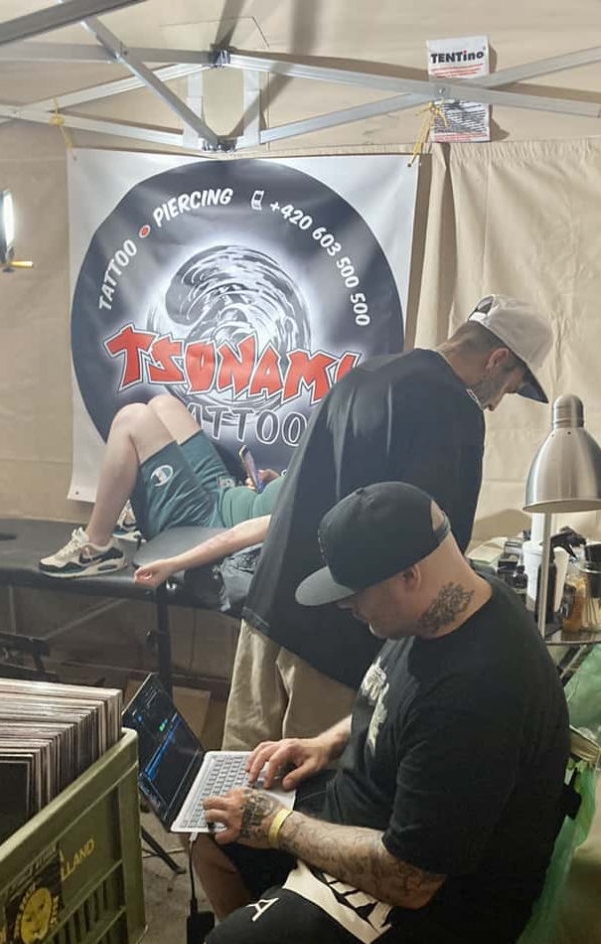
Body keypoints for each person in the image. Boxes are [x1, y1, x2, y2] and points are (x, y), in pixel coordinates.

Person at [191, 482, 570, 944]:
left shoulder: (481, 690)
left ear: (410, 574)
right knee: (211, 840)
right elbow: (390, 701)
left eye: (355, 594)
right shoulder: (449, 602)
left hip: (443, 900)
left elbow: (410, 878)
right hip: (375, 822)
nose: (347, 609)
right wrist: (325, 743)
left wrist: (279, 826)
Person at [222, 293, 555, 750]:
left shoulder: (366, 375)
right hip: (334, 641)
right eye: (508, 389)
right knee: (309, 783)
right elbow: (430, 554)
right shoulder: (453, 410)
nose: (496, 405)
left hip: (267, 610)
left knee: (234, 775)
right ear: (496, 360)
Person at [39, 393, 282, 579]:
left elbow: (248, 533)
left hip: (209, 523)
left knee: (131, 419)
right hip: (225, 492)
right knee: (164, 405)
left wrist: (175, 564)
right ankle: (140, 510)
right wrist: (275, 482)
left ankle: (96, 547)